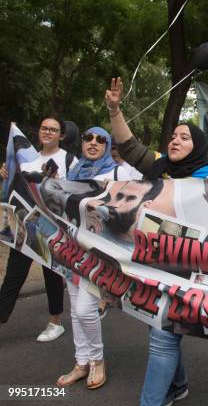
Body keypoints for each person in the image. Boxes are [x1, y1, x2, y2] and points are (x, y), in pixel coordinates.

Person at [105, 77, 208, 406]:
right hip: (150, 263)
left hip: (187, 270)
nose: (176, 140)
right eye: (174, 136)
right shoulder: (159, 167)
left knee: (162, 338)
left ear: (197, 144)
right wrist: (114, 110)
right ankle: (178, 385)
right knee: (159, 328)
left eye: (184, 136)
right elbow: (128, 146)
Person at [56, 126, 132, 390]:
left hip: (101, 251)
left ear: (108, 145)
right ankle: (81, 362)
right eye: (89, 137)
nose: (93, 142)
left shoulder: (118, 171)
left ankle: (97, 360)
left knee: (84, 309)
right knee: (75, 309)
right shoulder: (73, 172)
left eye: (101, 140)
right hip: (71, 247)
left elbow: (145, 194)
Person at [0, 115, 77, 342]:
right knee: (13, 275)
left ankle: (55, 322)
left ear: (61, 135)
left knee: (52, 274)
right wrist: (5, 173)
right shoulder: (27, 158)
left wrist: (55, 182)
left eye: (53, 130)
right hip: (24, 225)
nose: (47, 132)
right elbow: (13, 188)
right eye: (44, 128)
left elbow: (75, 194)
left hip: (53, 227)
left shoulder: (69, 160)